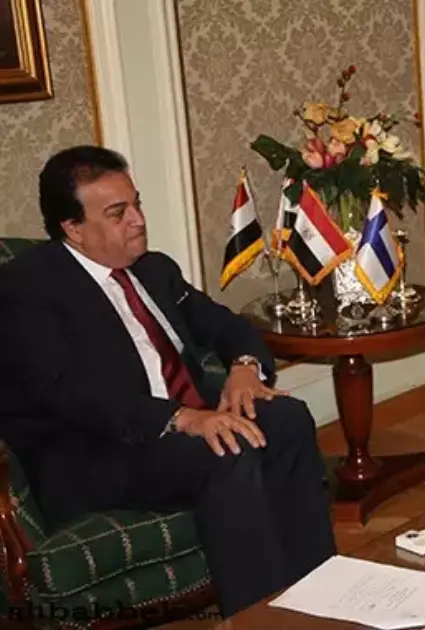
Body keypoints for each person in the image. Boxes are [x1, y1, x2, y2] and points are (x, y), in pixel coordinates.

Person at [0, 146, 336, 618]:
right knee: (225, 449)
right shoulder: (28, 287)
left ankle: (320, 595)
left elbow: (223, 324)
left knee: (287, 418)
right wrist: (181, 418)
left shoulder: (153, 269)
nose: (137, 220)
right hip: (98, 452)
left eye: (136, 204)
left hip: (178, 427)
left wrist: (244, 366)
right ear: (73, 228)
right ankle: (258, 618)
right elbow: (65, 392)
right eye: (118, 213)